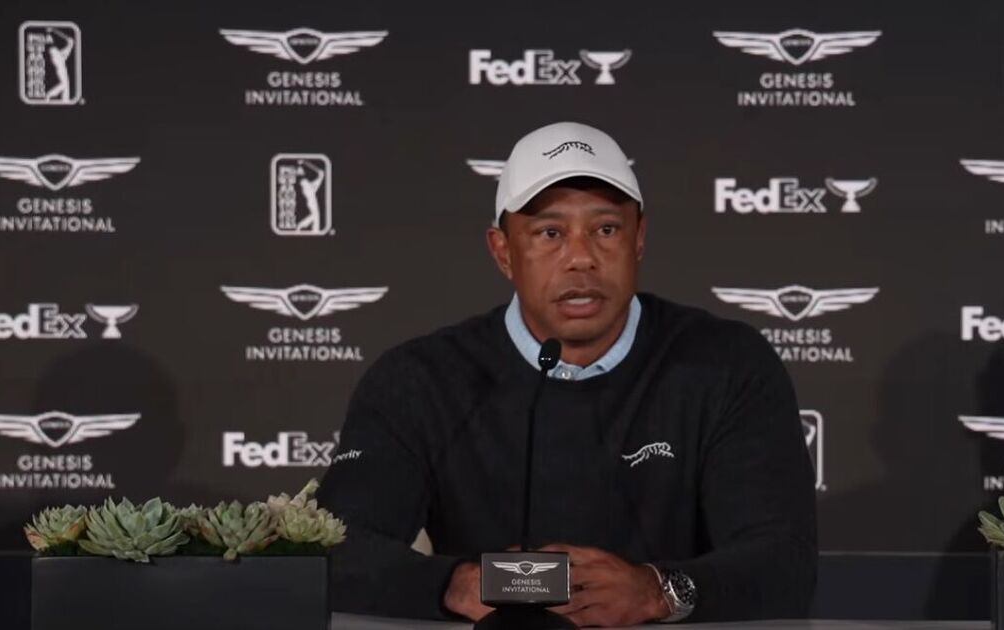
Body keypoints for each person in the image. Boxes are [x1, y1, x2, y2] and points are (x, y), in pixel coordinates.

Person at [317, 121, 816, 626]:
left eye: (606, 230)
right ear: (503, 251)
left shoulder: (726, 364)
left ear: (639, 239)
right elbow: (334, 548)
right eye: (550, 233)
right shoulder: (420, 379)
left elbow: (783, 562)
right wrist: (455, 585)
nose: (581, 258)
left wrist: (657, 591)